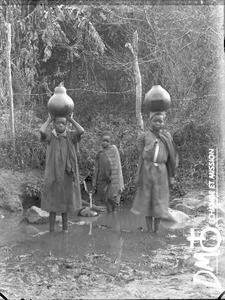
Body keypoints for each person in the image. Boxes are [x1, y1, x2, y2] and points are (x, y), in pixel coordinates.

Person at [131, 111, 179, 234]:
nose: (158, 123)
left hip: (161, 172)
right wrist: (138, 174)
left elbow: (171, 158)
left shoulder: (167, 137)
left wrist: (171, 176)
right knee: (148, 200)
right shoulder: (145, 136)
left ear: (164, 122)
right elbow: (142, 156)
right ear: (150, 122)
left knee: (159, 201)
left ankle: (156, 230)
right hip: (147, 170)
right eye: (155, 121)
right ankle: (149, 229)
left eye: (160, 121)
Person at [40, 113, 84, 232]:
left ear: (66, 124)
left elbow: (81, 130)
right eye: (58, 123)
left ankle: (65, 230)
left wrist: (71, 119)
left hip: (67, 174)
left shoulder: (70, 135)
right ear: (54, 124)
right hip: (53, 174)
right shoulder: (51, 136)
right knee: (52, 204)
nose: (60, 125)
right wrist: (49, 119)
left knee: (65, 204)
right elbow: (41, 131)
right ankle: (51, 231)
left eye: (63, 123)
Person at [92, 131, 124, 213]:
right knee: (105, 201)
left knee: (112, 198)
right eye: (103, 140)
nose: (105, 142)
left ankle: (114, 217)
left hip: (113, 179)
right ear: (100, 141)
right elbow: (97, 167)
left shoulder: (114, 150)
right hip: (102, 179)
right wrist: (94, 180)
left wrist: (112, 177)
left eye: (107, 141)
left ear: (111, 142)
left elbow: (117, 167)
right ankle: (110, 219)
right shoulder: (100, 153)